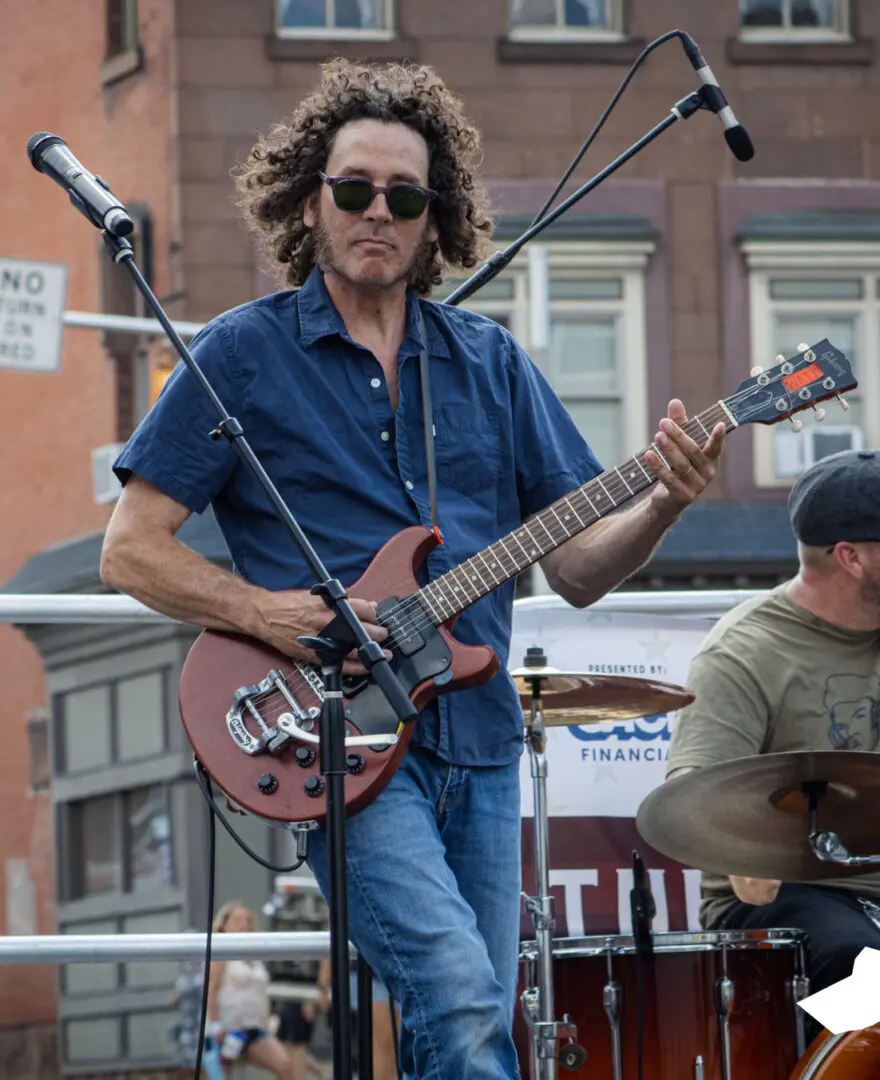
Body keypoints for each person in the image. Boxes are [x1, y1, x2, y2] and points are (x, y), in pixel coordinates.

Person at [99, 58, 723, 1080]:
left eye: (404, 195)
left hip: (475, 739)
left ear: (437, 220)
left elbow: (574, 570)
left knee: (476, 1016)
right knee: (459, 994)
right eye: (353, 190)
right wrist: (262, 610)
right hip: (333, 738)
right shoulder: (242, 356)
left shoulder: (491, 362)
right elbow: (130, 547)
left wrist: (664, 498)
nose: (375, 211)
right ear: (311, 204)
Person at [666, 448, 880, 1042]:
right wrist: (742, 854)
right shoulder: (744, 652)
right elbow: (690, 792)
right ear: (852, 557)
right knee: (864, 968)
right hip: (788, 894)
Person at [206, 902, 296, 1079]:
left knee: (285, 1065)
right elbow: (212, 990)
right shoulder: (221, 953)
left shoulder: (254, 953)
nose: (244, 924)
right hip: (229, 1027)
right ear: (224, 924)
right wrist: (216, 1025)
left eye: (247, 920)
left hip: (256, 1026)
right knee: (222, 1076)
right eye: (238, 919)